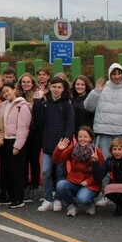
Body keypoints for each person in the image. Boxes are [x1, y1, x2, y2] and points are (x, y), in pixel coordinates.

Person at [84, 63, 122, 207]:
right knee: (104, 166)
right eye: (114, 74)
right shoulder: (102, 89)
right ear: (110, 74)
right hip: (103, 133)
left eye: (119, 73)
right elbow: (88, 107)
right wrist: (96, 91)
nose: (117, 76)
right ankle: (107, 194)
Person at [33, 76, 75, 212]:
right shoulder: (45, 104)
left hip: (61, 146)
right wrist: (37, 103)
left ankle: (58, 198)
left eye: (59, 87)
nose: (56, 90)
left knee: (60, 172)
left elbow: (70, 125)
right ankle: (48, 198)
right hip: (47, 144)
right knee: (45, 172)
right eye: (54, 87)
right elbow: (38, 123)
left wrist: (66, 141)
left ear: (63, 89)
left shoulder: (66, 105)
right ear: (49, 87)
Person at [53, 127, 105, 217]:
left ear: (90, 138)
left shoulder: (97, 151)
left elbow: (100, 174)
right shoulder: (73, 148)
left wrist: (88, 180)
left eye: (85, 137)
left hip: (91, 184)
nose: (82, 139)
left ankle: (90, 203)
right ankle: (72, 205)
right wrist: (59, 149)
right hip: (74, 181)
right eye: (80, 136)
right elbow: (57, 160)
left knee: (83, 198)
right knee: (60, 185)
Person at [0, 82, 31, 209]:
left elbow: (24, 128)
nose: (6, 93)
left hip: (16, 141)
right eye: (4, 92)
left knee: (17, 171)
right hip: (5, 141)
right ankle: (11, 196)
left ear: (15, 90)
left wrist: (17, 146)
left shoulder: (22, 106)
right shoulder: (5, 105)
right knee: (8, 170)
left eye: (8, 91)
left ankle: (18, 198)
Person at [17, 72, 41, 202]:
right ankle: (25, 185)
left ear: (32, 83)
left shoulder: (38, 96)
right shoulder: (17, 96)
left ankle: (35, 186)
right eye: (23, 82)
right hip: (21, 133)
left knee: (34, 160)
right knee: (23, 161)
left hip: (34, 133)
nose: (26, 84)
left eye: (28, 82)